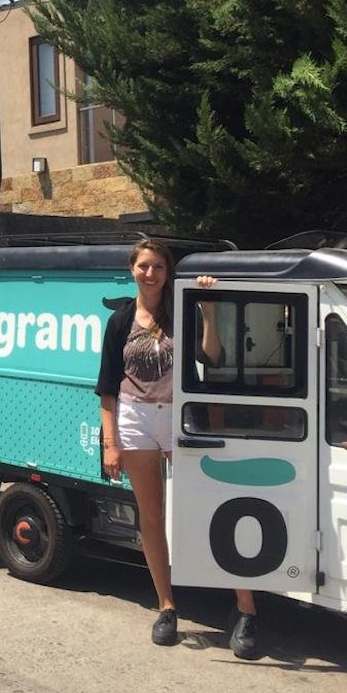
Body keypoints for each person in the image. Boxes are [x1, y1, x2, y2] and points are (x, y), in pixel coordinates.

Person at [95, 239, 259, 659]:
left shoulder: (182, 309)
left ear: (168, 273)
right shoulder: (120, 320)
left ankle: (245, 609)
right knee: (151, 517)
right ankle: (167, 607)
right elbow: (107, 390)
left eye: (159, 267)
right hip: (134, 420)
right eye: (144, 266)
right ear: (132, 268)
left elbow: (213, 355)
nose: (151, 274)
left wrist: (207, 309)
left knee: (209, 508)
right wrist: (110, 443)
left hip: (180, 417)